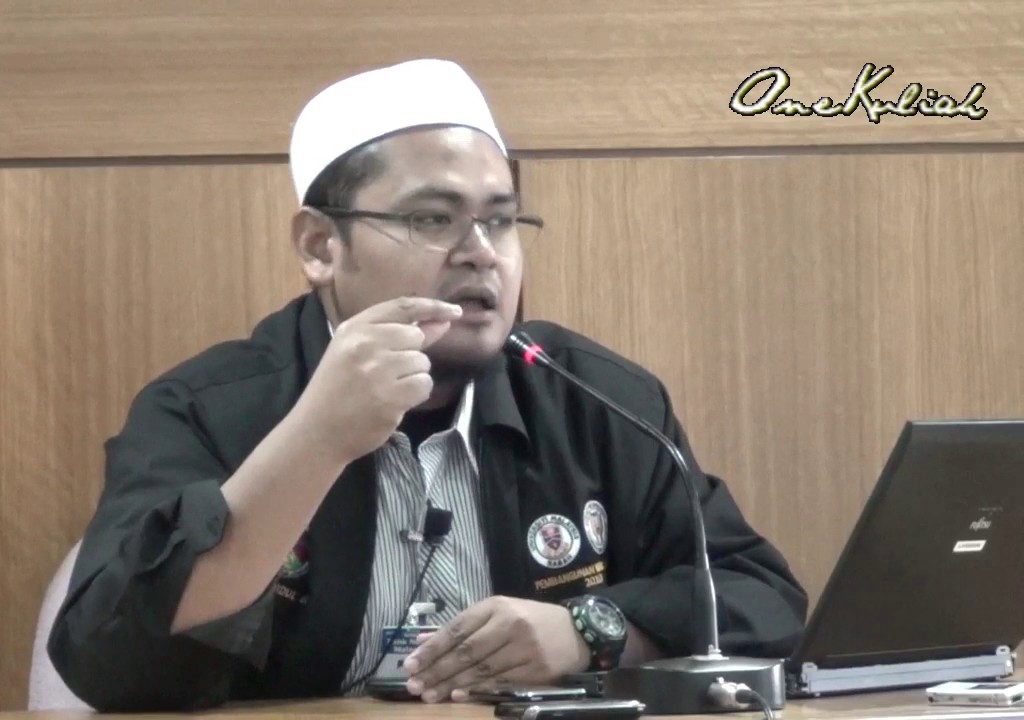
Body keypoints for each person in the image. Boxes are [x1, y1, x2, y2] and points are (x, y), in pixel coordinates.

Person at [46, 58, 808, 712]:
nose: (482, 254)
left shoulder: (594, 399)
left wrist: (590, 630)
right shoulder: (207, 411)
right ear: (320, 246)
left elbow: (762, 597)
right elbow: (107, 659)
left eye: (501, 221)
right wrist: (317, 440)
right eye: (432, 220)